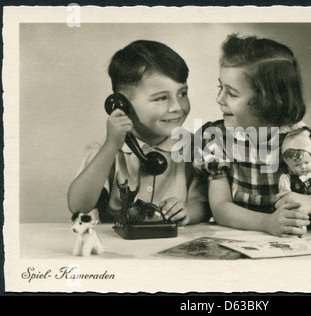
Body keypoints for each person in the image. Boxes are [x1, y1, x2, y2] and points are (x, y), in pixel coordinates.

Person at [194, 34, 311, 237]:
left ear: (268, 100)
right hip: (245, 241)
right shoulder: (217, 139)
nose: (219, 99)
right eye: (220, 88)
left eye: (232, 93)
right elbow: (220, 208)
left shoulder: (308, 143)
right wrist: (267, 223)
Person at [68, 40, 209, 226]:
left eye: (182, 93)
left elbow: (202, 203)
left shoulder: (194, 147)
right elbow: (79, 206)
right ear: (123, 104)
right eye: (161, 98)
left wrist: (187, 212)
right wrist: (111, 146)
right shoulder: (106, 149)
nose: (177, 107)